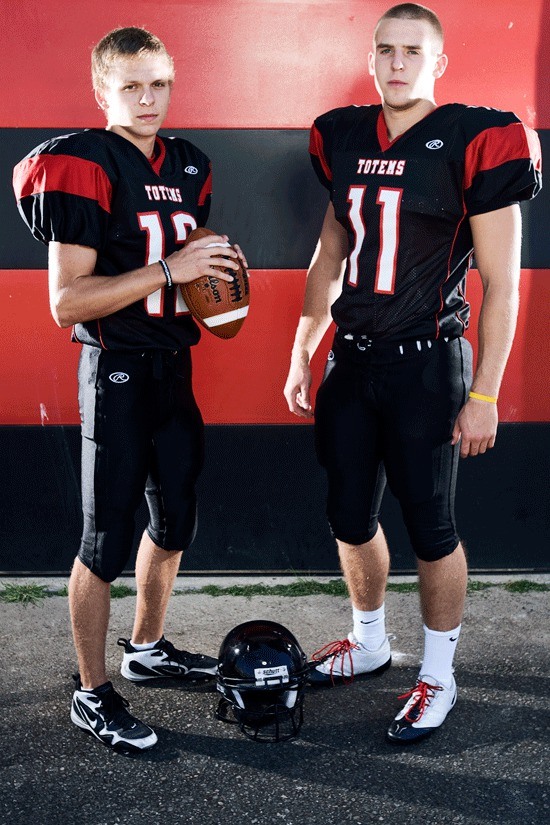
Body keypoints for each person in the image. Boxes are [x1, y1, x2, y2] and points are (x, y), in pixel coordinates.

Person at [284, 3, 541, 744]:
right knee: (348, 514)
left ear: (439, 62)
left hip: (427, 365)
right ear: (371, 58)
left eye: (412, 51)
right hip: (352, 360)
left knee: (432, 527)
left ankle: (439, 673)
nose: (397, 63)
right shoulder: (341, 136)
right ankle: (369, 641)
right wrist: (304, 346)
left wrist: (486, 392)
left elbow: (504, 281)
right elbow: (329, 256)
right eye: (386, 50)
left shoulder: (474, 135)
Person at [13, 27, 247, 752]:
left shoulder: (189, 164)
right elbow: (68, 303)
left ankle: (145, 648)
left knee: (175, 518)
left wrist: (216, 283)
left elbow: (195, 273)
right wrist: (172, 269)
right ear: (101, 91)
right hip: (115, 374)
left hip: (174, 367)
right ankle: (91, 691)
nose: (148, 99)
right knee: (103, 539)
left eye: (159, 84)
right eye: (131, 86)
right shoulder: (81, 162)